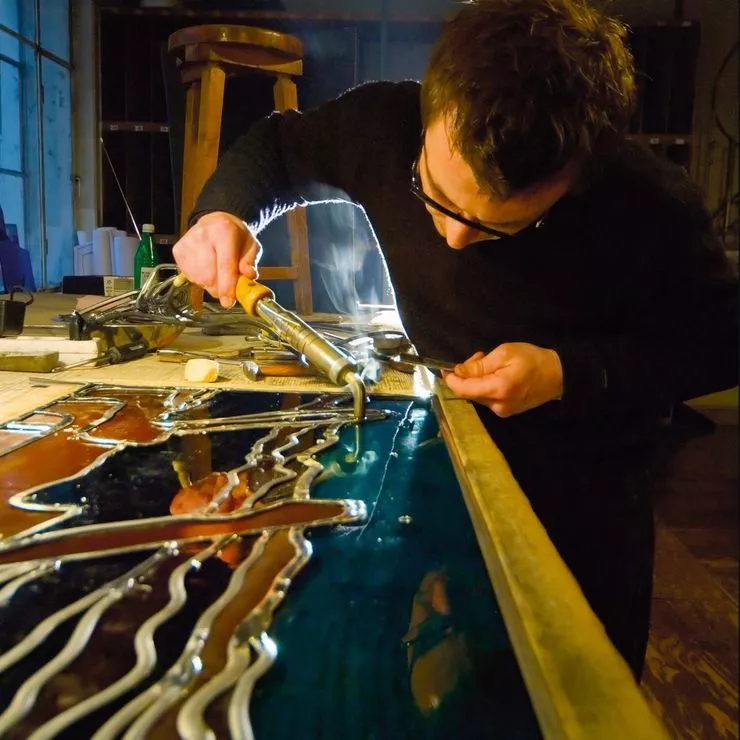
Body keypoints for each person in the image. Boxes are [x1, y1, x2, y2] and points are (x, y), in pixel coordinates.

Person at [172, 0, 738, 681]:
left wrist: (571, 372)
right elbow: (278, 145)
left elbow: (719, 341)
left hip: (587, 488)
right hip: (433, 458)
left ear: (581, 173)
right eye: (433, 193)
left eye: (500, 226)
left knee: (576, 686)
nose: (454, 238)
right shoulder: (383, 122)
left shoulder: (652, 205)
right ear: (429, 111)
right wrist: (224, 212)